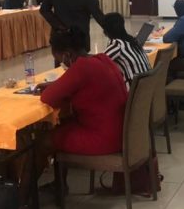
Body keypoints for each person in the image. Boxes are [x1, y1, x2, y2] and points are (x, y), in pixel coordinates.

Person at [38, 28, 127, 156]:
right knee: (65, 125)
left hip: (103, 139)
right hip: (123, 132)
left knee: (44, 140)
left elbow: (47, 97)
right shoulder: (103, 59)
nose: (61, 64)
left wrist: (54, 87)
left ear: (67, 55)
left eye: (60, 60)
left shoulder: (81, 68)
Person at [101, 13, 151, 89]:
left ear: (106, 30)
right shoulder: (133, 41)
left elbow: (99, 64)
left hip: (134, 91)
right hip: (148, 88)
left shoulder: (117, 44)